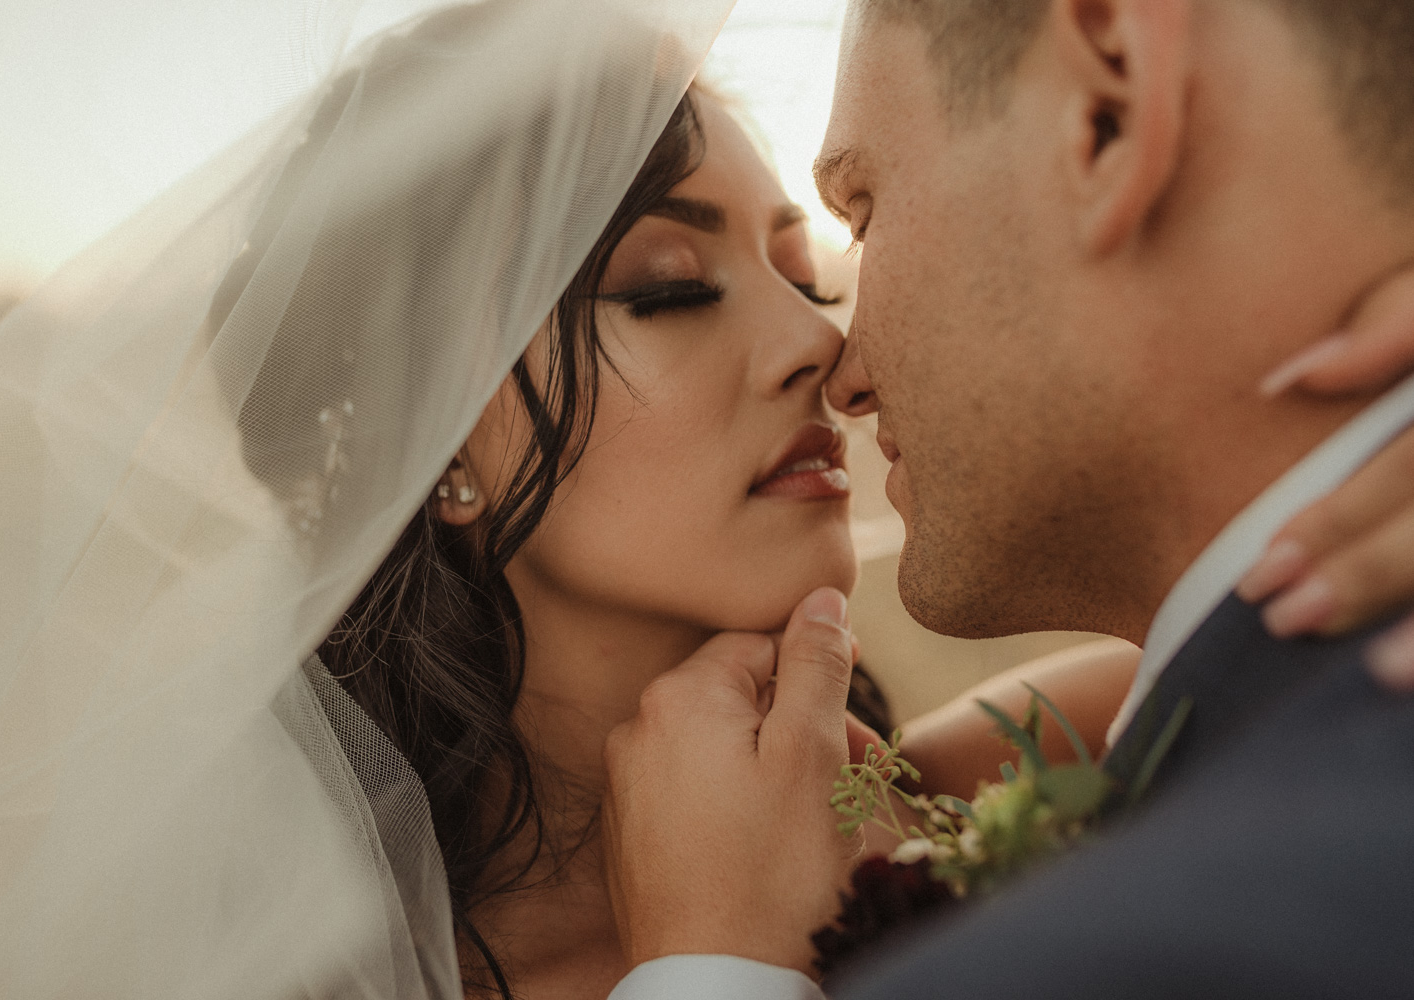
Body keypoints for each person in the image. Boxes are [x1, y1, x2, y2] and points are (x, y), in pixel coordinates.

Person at [599, 0, 1414, 997]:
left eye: (858, 215)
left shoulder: (1168, 940)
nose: (830, 355)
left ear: (1109, 108)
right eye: (670, 287)